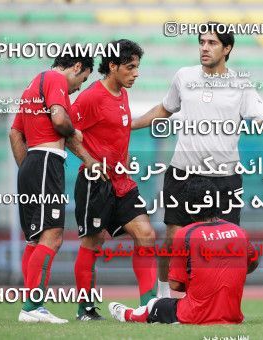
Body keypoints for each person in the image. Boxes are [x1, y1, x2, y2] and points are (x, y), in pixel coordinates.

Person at [131, 22, 263, 299]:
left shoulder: (241, 85)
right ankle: (164, 298)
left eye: (212, 43)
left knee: (226, 244)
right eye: (202, 42)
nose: (204, 48)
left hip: (224, 177)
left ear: (227, 48)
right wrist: (131, 124)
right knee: (173, 237)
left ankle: (220, 299)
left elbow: (262, 118)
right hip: (183, 172)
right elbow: (164, 109)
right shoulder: (184, 77)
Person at [70, 39, 157, 321]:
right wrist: (89, 160)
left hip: (123, 182)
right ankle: (85, 310)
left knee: (146, 235)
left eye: (137, 67)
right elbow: (69, 131)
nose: (136, 73)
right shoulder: (91, 97)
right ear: (113, 66)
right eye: (130, 67)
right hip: (95, 183)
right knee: (93, 244)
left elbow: (115, 131)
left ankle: (149, 307)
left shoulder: (122, 94)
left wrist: (124, 156)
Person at [9, 55, 94, 323]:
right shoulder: (55, 78)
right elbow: (59, 120)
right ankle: (33, 308)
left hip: (32, 163)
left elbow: (14, 133)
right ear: (77, 67)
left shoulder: (32, 85)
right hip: (46, 161)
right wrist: (75, 132)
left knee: (35, 239)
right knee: (53, 235)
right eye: (83, 79)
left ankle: (30, 305)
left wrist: (27, 169)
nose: (79, 87)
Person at [107, 176, 259, 324]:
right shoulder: (239, 232)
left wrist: (200, 278)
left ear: (189, 208)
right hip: (233, 316)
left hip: (194, 315)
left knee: (154, 304)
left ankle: (126, 314)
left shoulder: (186, 234)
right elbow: (252, 263)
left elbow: (175, 285)